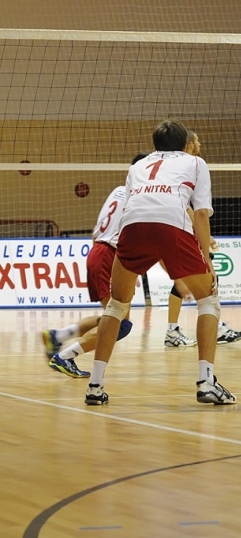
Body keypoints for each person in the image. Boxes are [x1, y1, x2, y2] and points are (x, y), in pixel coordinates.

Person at [83, 120, 235, 406]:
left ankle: (95, 385)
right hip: (171, 226)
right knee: (208, 300)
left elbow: (134, 205)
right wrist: (208, 260)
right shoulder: (196, 162)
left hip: (132, 228)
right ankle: (206, 382)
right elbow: (201, 214)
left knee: (116, 306)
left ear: (155, 145)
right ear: (185, 144)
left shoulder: (137, 167)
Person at [43, 155, 143, 377]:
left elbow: (97, 229)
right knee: (120, 324)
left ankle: (59, 336)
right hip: (109, 256)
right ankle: (65, 357)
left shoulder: (118, 191)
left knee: (111, 318)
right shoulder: (140, 196)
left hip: (98, 251)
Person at [163, 130, 241, 347]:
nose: (200, 143)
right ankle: (211, 330)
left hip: (171, 226)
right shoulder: (192, 164)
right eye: (197, 140)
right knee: (205, 278)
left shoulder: (175, 166)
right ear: (189, 144)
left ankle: (175, 330)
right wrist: (201, 235)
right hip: (174, 228)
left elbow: (185, 205)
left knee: (185, 281)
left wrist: (203, 235)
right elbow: (193, 209)